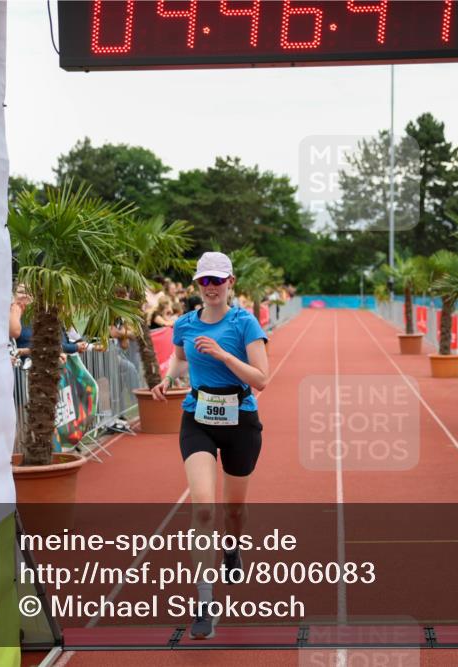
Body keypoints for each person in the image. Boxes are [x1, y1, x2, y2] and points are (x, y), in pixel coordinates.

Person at [149, 251, 269, 640]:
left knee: (233, 511)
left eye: (218, 280)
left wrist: (222, 354)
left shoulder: (244, 323)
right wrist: (169, 378)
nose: (211, 287)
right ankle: (204, 602)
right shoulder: (185, 323)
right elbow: (179, 360)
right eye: (205, 281)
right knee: (203, 507)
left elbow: (261, 378)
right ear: (197, 285)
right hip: (197, 418)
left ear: (230, 282)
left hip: (240, 421)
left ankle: (232, 548)